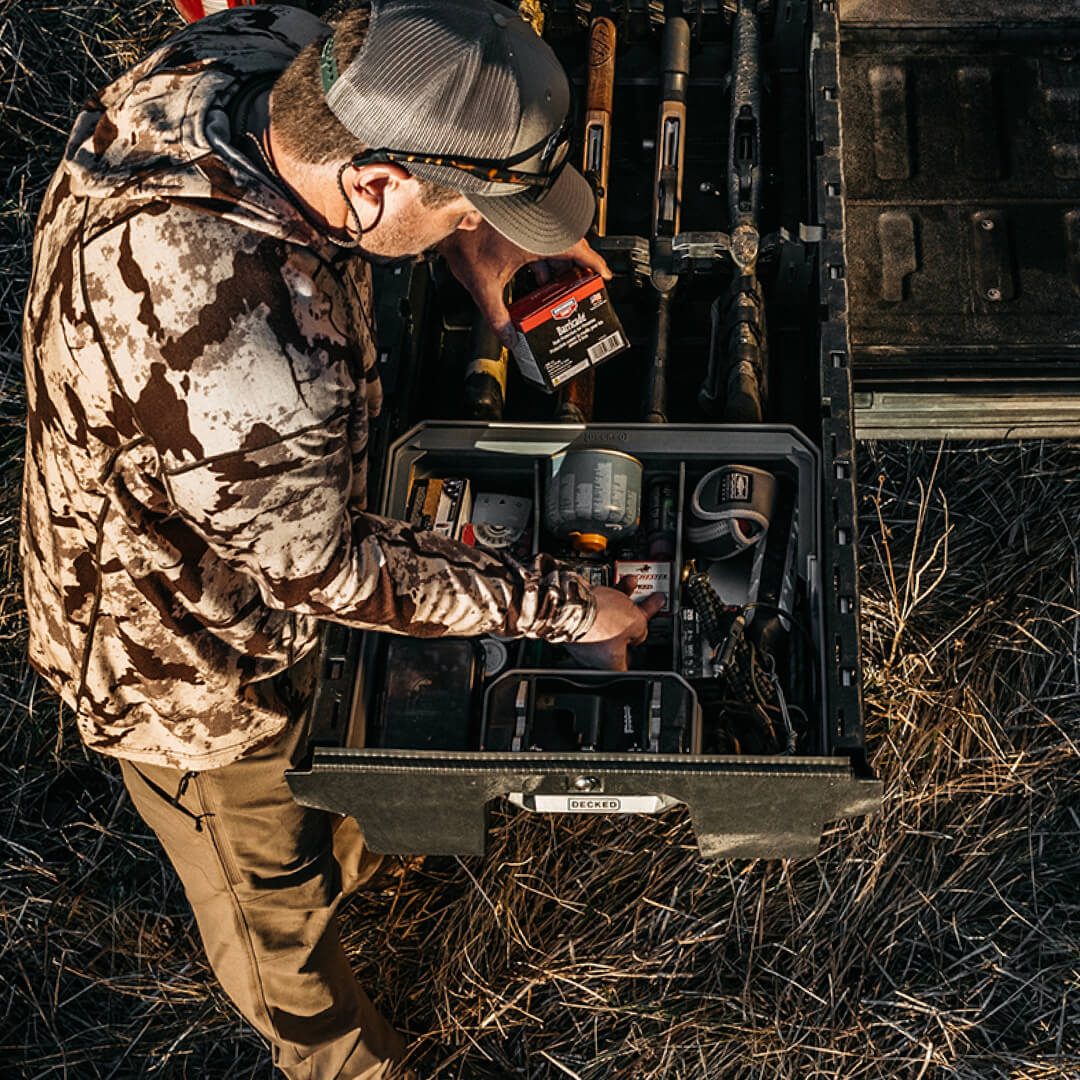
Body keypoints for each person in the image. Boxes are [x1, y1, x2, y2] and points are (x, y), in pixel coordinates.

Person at [20, 1, 663, 1076]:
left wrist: (475, 251)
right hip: (182, 665)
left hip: (247, 498)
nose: (474, 228)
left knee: (337, 797)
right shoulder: (255, 351)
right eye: (466, 211)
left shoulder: (257, 50)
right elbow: (334, 571)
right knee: (277, 912)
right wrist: (567, 605)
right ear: (374, 185)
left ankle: (358, 830)